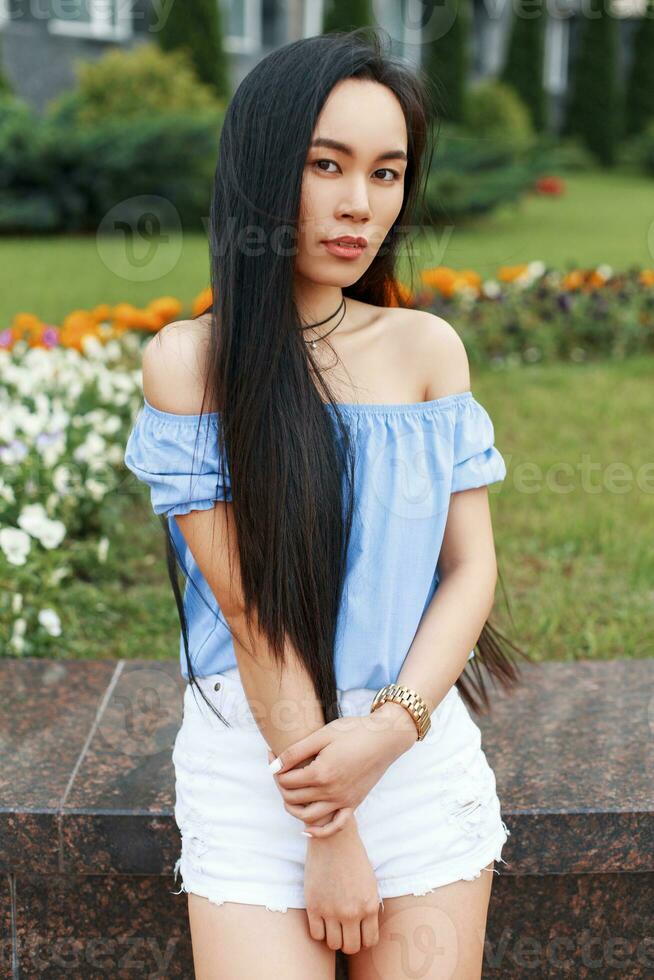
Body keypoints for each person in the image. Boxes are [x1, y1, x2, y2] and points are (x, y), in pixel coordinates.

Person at [124, 28, 525, 980]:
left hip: (413, 745)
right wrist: (331, 823)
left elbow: (471, 569)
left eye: (386, 173)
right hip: (262, 762)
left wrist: (388, 733)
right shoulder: (192, 365)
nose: (359, 204)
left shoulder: (428, 350)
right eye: (325, 165)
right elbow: (250, 613)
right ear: (265, 171)